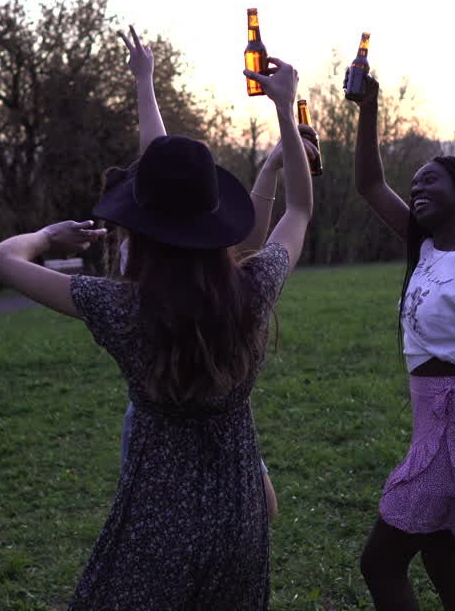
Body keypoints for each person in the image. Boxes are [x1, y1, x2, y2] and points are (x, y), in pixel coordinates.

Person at [0, 38, 312, 608]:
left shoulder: (120, 308)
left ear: (141, 228)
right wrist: (285, 108)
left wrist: (47, 236)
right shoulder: (253, 289)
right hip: (239, 516)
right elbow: (300, 209)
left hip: (157, 522)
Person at [105, 26, 322, 521]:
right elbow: (294, 214)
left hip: (168, 414)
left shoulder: (136, 271)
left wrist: (145, 82)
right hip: (203, 419)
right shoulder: (232, 282)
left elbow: (157, 154)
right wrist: (285, 114)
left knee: (172, 525)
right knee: (246, 514)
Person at [349, 73, 455, 610]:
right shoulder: (426, 250)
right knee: (442, 563)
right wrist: (368, 108)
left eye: (429, 183)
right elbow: (370, 184)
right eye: (414, 185)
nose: (417, 191)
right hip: (432, 428)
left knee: (380, 563)